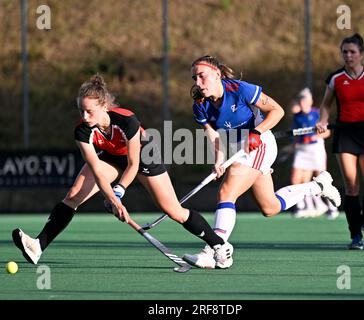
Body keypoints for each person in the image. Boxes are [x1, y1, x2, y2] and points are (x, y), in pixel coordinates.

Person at [12, 74, 234, 268]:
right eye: (81, 111)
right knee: (73, 196)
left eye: (89, 111)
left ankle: (219, 246)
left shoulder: (126, 120)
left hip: (142, 155)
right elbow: (98, 172)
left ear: (104, 106)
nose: (85, 117)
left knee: (174, 210)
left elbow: (133, 164)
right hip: (109, 157)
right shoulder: (82, 131)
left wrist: (118, 193)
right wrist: (112, 199)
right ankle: (38, 245)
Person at [182, 55, 341, 268]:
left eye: (202, 76)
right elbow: (215, 135)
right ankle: (318, 186)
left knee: (226, 192)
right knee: (270, 207)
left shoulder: (240, 89)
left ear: (217, 74)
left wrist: (256, 132)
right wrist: (219, 160)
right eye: (195, 78)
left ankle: (215, 250)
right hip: (239, 150)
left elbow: (277, 111)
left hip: (260, 143)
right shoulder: (200, 105)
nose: (198, 83)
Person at [316, 33, 364, 250]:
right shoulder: (335, 79)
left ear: (361, 54)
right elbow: (326, 105)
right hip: (345, 135)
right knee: (351, 186)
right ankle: (355, 236)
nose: (348, 56)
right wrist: (323, 120)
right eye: (345, 52)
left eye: (352, 52)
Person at [290, 88, 338, 219]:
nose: (304, 103)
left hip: (316, 149)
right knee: (296, 180)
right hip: (301, 150)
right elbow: (294, 135)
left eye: (306, 101)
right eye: (302, 101)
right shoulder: (297, 116)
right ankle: (301, 207)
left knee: (321, 179)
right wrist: (294, 144)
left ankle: (332, 208)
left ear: (310, 101)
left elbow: (327, 132)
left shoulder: (317, 114)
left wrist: (314, 137)